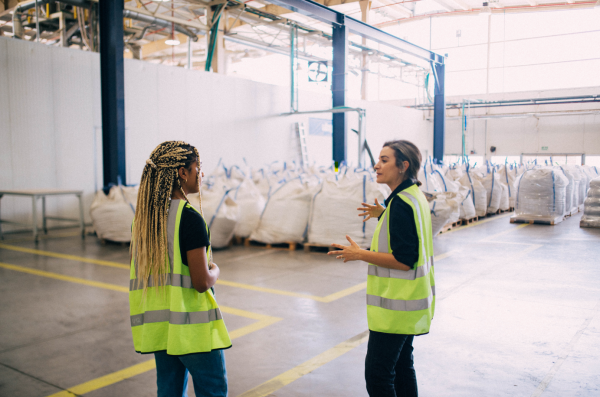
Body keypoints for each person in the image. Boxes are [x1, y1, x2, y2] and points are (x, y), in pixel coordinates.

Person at [328, 140, 435, 397]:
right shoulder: (411, 196)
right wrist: (384, 213)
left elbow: (404, 259)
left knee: (378, 376)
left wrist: (360, 253)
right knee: (401, 366)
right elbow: (407, 232)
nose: (377, 165)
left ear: (403, 166)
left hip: (395, 308)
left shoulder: (400, 205)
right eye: (378, 159)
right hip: (410, 303)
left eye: (385, 160)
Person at [129, 141, 231, 397]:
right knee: (213, 389)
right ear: (182, 173)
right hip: (192, 331)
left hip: (162, 326)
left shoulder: (146, 220)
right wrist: (215, 270)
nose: (201, 173)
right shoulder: (189, 218)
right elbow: (201, 281)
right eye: (198, 167)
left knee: (169, 390)